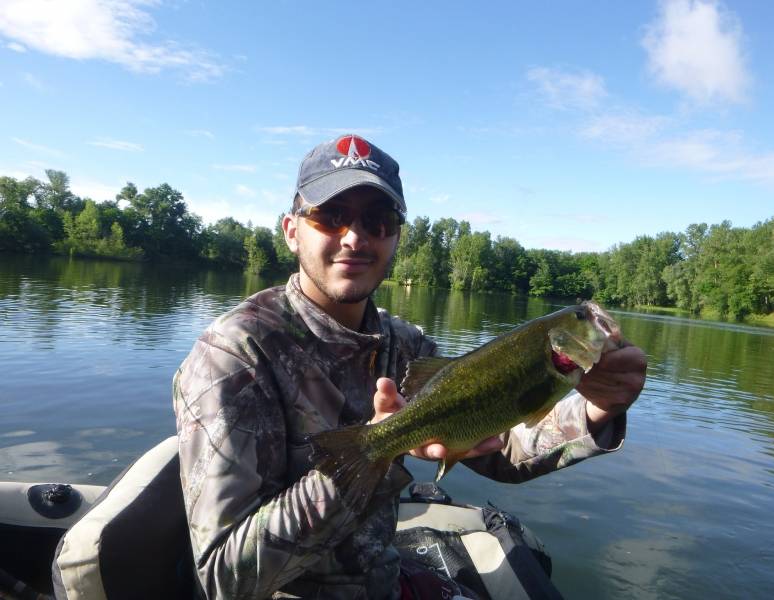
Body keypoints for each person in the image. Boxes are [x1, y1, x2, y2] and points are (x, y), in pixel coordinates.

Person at [172, 134, 647, 599]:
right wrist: (365, 458)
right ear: (292, 231)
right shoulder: (234, 356)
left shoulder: (407, 345)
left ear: (396, 237)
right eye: (330, 216)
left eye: (378, 221)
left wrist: (594, 410)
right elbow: (223, 579)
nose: (354, 237)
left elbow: (496, 444)